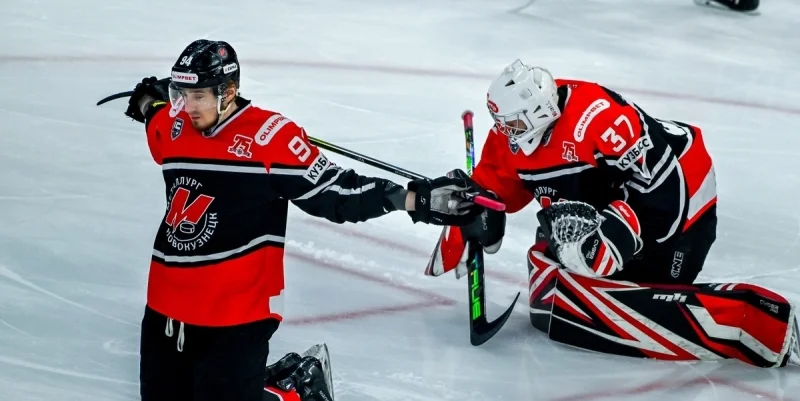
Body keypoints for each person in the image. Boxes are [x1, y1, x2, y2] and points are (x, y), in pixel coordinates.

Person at [123, 39, 485, 401]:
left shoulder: (270, 139)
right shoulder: (174, 124)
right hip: (164, 307)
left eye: (197, 95)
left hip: (234, 314)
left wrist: (413, 199)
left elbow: (337, 193)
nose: (186, 107)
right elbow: (156, 117)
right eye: (180, 94)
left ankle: (296, 390)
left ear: (228, 92)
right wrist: (149, 102)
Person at [428, 59, 799, 367]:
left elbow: (666, 193)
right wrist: (476, 205)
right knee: (569, 260)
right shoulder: (516, 130)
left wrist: (623, 240)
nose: (506, 133)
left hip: (683, 202)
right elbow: (499, 185)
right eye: (502, 124)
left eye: (514, 125)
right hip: (613, 201)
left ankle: (757, 320)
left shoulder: (599, 120)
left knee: (610, 272)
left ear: (539, 110)